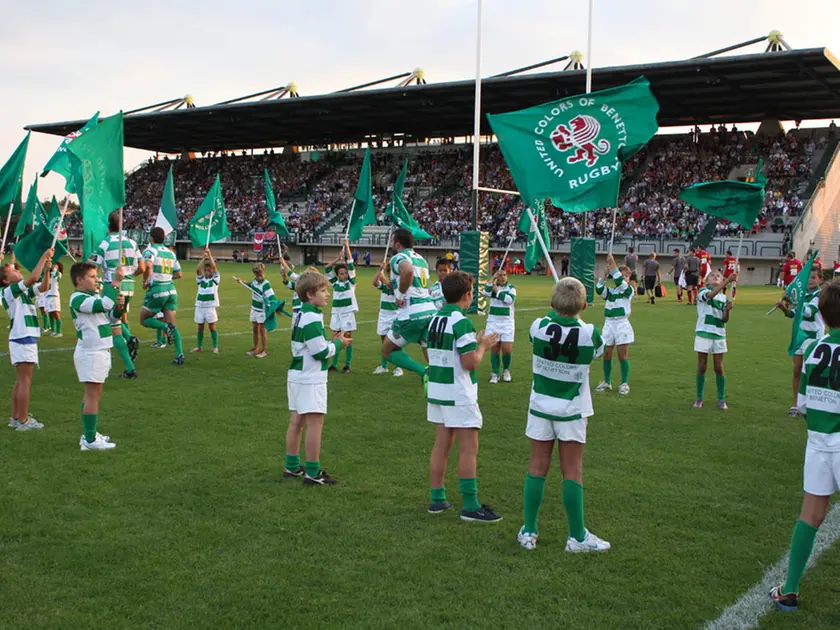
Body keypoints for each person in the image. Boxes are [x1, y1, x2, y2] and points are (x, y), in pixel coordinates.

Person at [516, 277, 610, 552]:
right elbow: (599, 351)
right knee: (572, 471)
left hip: (541, 406)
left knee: (536, 468)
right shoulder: (590, 333)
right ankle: (576, 537)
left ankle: (529, 531)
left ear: (552, 302)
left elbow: (539, 331)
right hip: (572, 409)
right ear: (584, 305)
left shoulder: (538, 326)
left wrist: (556, 310)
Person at [769, 282, 840, 613]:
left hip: (818, 443)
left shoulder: (815, 349)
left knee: (810, 515)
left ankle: (789, 589)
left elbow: (805, 404)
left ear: (823, 316)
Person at [426, 271, 501, 521]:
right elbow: (470, 362)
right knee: (468, 448)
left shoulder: (435, 318)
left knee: (441, 445)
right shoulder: (462, 322)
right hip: (458, 391)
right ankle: (471, 505)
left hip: (438, 388)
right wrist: (483, 345)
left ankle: (437, 499)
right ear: (467, 295)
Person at [283, 270, 352, 485]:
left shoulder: (302, 313)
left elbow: (312, 345)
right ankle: (313, 472)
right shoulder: (312, 317)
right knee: (315, 423)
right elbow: (319, 352)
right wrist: (339, 344)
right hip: (310, 377)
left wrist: (329, 341)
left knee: (297, 421)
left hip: (297, 375)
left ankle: (292, 466)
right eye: (323, 290)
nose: (327, 294)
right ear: (310, 294)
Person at [69, 262, 125, 451]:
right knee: (92, 395)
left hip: (99, 349)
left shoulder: (91, 297)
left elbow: (111, 317)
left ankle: (89, 434)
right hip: (91, 351)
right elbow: (104, 304)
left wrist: (120, 307)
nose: (96, 280)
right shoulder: (78, 298)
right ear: (79, 280)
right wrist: (115, 283)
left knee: (93, 394)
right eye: (92, 277)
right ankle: (90, 439)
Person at [1, 249, 53, 431]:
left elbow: (43, 287)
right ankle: (23, 420)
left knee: (20, 380)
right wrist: (43, 256)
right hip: (23, 336)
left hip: (22, 336)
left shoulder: (20, 292)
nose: (17, 270)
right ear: (6, 280)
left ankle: (16, 417)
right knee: (25, 381)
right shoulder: (9, 291)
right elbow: (33, 278)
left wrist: (47, 270)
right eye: (12, 271)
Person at [91, 212, 146, 374]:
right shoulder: (132, 242)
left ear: (107, 225)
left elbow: (93, 267)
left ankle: (130, 368)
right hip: (130, 286)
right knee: (115, 318)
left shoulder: (105, 243)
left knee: (113, 325)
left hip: (113, 286)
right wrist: (130, 276)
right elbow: (142, 267)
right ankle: (129, 338)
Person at [381, 228, 437, 382]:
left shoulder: (398, 257)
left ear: (397, 243)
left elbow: (408, 271)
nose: (391, 244)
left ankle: (424, 372)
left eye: (392, 241)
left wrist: (399, 295)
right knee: (429, 351)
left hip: (412, 312)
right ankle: (440, 381)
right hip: (430, 310)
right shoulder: (421, 259)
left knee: (387, 350)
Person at [775, 264, 825, 417]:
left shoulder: (820, 295)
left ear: (820, 280)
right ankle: (796, 405)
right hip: (800, 336)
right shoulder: (803, 295)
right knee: (797, 371)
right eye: (808, 277)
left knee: (811, 373)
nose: (810, 280)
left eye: (813, 277)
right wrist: (784, 308)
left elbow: (809, 313)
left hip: (813, 338)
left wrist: (793, 300)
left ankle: (813, 404)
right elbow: (794, 315)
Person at [693, 270, 738, 409]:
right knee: (702, 366)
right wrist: (727, 281)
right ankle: (699, 398)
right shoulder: (702, 291)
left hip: (719, 335)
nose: (715, 276)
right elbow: (710, 295)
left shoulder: (724, 298)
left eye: (718, 276)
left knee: (719, 367)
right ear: (706, 281)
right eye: (712, 275)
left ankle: (721, 399)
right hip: (703, 333)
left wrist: (727, 310)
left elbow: (724, 320)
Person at [140, 229, 184, 365]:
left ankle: (165, 328)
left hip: (158, 289)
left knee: (144, 319)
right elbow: (179, 274)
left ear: (151, 238)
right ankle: (179, 355)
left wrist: (146, 281)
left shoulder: (151, 250)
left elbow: (148, 265)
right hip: (171, 290)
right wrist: (167, 277)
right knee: (173, 325)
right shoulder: (171, 253)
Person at [594, 255, 635, 395]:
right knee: (607, 353)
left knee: (622, 354)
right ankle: (607, 381)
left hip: (621, 324)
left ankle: (624, 383)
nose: (624, 278)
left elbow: (619, 281)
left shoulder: (628, 290)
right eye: (622, 275)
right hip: (609, 324)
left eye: (626, 276)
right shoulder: (611, 291)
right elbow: (599, 290)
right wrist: (604, 276)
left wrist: (612, 262)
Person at [326, 240, 357, 373]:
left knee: (348, 339)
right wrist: (338, 259)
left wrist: (347, 247)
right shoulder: (335, 283)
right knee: (336, 339)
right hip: (336, 314)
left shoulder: (351, 283)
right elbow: (327, 268)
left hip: (347, 314)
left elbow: (350, 264)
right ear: (338, 275)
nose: (345, 275)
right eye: (342, 273)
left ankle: (347, 365)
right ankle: (334, 364)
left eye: (346, 273)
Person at [482, 268, 516, 384]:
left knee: (507, 349)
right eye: (500, 275)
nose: (503, 277)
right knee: (495, 348)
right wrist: (492, 281)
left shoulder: (511, 288)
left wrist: (497, 292)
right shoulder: (492, 287)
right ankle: (495, 373)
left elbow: (509, 300)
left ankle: (506, 370)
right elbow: (485, 292)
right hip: (493, 322)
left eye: (504, 275)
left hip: (507, 322)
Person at [235, 262, 273, 358]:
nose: (258, 276)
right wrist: (241, 281)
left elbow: (272, 298)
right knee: (255, 329)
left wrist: (267, 300)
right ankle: (255, 349)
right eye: (256, 274)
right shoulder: (254, 281)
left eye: (259, 274)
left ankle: (264, 350)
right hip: (254, 309)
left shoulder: (266, 284)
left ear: (263, 272)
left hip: (262, 311)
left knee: (262, 330)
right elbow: (250, 285)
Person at [372, 259, 403, 377]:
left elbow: (391, 286)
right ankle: (384, 366)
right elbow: (374, 282)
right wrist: (380, 270)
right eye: (389, 273)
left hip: (395, 315)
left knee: (396, 342)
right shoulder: (385, 285)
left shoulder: (399, 285)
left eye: (392, 273)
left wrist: (383, 277)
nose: (390, 275)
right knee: (384, 342)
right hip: (383, 315)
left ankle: (399, 367)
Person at [191, 249, 220, 354]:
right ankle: (199, 347)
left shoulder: (215, 280)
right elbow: (197, 270)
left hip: (210, 307)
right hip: (199, 306)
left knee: (212, 327)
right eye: (206, 270)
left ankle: (215, 346)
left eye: (209, 270)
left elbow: (215, 268)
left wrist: (210, 255)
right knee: (200, 327)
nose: (207, 272)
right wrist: (203, 258)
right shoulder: (201, 280)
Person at [44, 262, 63, 338]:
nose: (54, 265)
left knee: (56, 313)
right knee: (50, 313)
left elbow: (57, 277)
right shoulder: (49, 273)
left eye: (56, 265)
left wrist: (55, 269)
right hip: (48, 296)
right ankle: (53, 330)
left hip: (54, 296)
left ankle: (59, 331)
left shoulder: (59, 273)